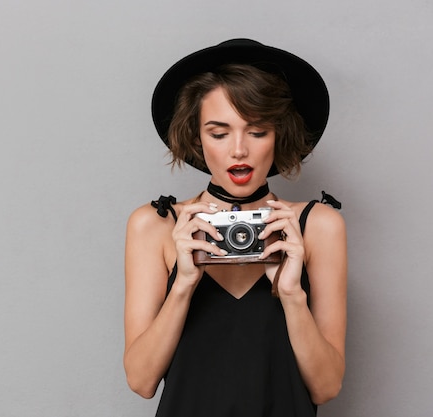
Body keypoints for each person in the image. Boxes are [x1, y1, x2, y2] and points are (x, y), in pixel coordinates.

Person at [123, 39, 347, 417]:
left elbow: (326, 388)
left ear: (278, 136)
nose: (239, 150)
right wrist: (183, 284)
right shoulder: (156, 225)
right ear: (196, 137)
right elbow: (141, 382)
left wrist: (292, 293)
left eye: (257, 131)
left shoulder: (317, 226)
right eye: (219, 132)